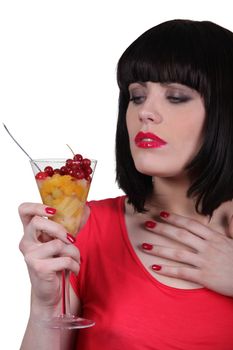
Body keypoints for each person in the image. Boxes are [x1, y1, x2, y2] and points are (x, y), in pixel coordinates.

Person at [19, 19, 233, 350]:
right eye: (136, 95)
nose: (145, 111)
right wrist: (44, 307)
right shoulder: (83, 228)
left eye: (175, 96)